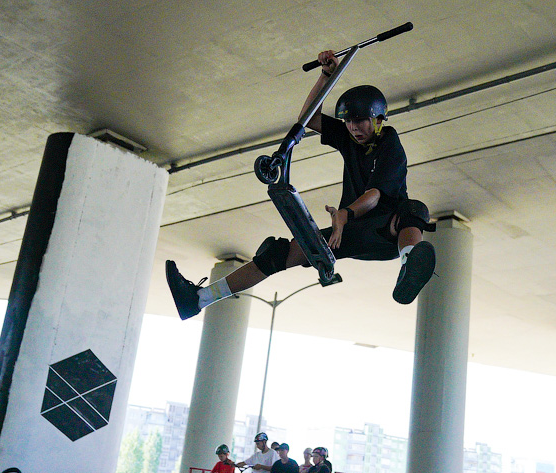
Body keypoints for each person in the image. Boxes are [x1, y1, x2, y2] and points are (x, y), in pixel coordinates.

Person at [165, 50, 438, 320]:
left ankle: (409, 263)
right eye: (349, 121)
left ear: (378, 120)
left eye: (360, 120)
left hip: (389, 229)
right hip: (349, 232)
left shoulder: (388, 142)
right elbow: (310, 118)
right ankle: (199, 300)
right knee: (278, 254)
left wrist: (344, 213)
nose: (354, 127)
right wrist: (325, 76)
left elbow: (375, 195)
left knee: (415, 209)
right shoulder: (349, 138)